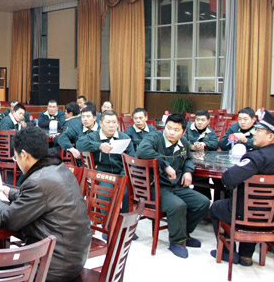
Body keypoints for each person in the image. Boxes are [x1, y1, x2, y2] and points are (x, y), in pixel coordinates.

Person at [0, 126, 91, 282]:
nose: (17, 162)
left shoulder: (36, 182)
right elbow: (41, 198)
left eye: (16, 157)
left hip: (55, 265)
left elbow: (10, 219)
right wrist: (10, 192)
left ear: (24, 155)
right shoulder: (58, 168)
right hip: (73, 257)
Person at [137, 113, 210, 259]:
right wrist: (165, 165)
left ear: (183, 131)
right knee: (178, 206)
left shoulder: (183, 142)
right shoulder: (155, 137)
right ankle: (177, 241)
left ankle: (184, 232)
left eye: (176, 130)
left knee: (203, 202)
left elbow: (189, 158)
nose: (171, 132)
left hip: (175, 186)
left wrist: (188, 171)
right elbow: (142, 151)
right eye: (169, 128)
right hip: (155, 187)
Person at [209, 110, 274, 266]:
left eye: (259, 131)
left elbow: (229, 178)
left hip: (244, 213)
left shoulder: (257, 157)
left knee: (217, 207)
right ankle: (246, 256)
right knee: (254, 208)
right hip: (271, 215)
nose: (254, 134)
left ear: (270, 136)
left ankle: (227, 252)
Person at [77, 110, 135, 176]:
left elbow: (132, 159)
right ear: (101, 123)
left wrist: (123, 175)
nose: (111, 125)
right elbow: (79, 144)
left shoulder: (125, 138)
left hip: (120, 175)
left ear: (117, 124)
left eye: (114, 122)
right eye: (108, 122)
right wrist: (99, 146)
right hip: (99, 175)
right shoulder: (94, 136)